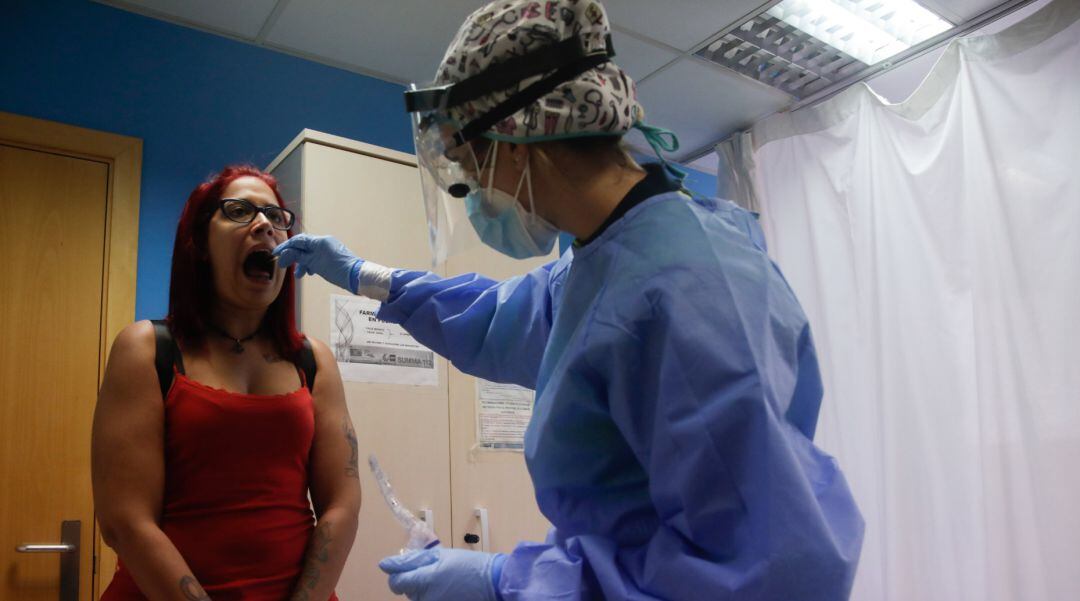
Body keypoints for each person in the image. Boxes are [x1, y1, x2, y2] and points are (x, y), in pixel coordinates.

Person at [274, 1, 864, 599]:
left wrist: (508, 581)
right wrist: (362, 275)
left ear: (517, 141)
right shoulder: (600, 262)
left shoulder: (690, 287)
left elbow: (769, 570)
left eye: (468, 162)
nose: (473, 188)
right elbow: (494, 321)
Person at [92, 165, 361, 601]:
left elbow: (341, 503)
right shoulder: (147, 349)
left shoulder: (313, 361)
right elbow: (124, 521)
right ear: (199, 244)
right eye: (239, 211)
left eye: (276, 218)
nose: (264, 225)